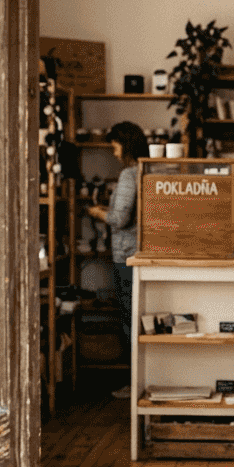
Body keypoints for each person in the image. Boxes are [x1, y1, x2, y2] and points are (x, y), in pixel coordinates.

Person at [89, 121, 148, 337]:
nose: (114, 154)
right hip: (140, 252)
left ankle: (132, 369)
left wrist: (98, 213)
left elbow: (120, 219)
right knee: (140, 317)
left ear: (126, 145)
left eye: (115, 148)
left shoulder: (128, 175)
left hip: (126, 256)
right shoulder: (146, 170)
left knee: (129, 319)